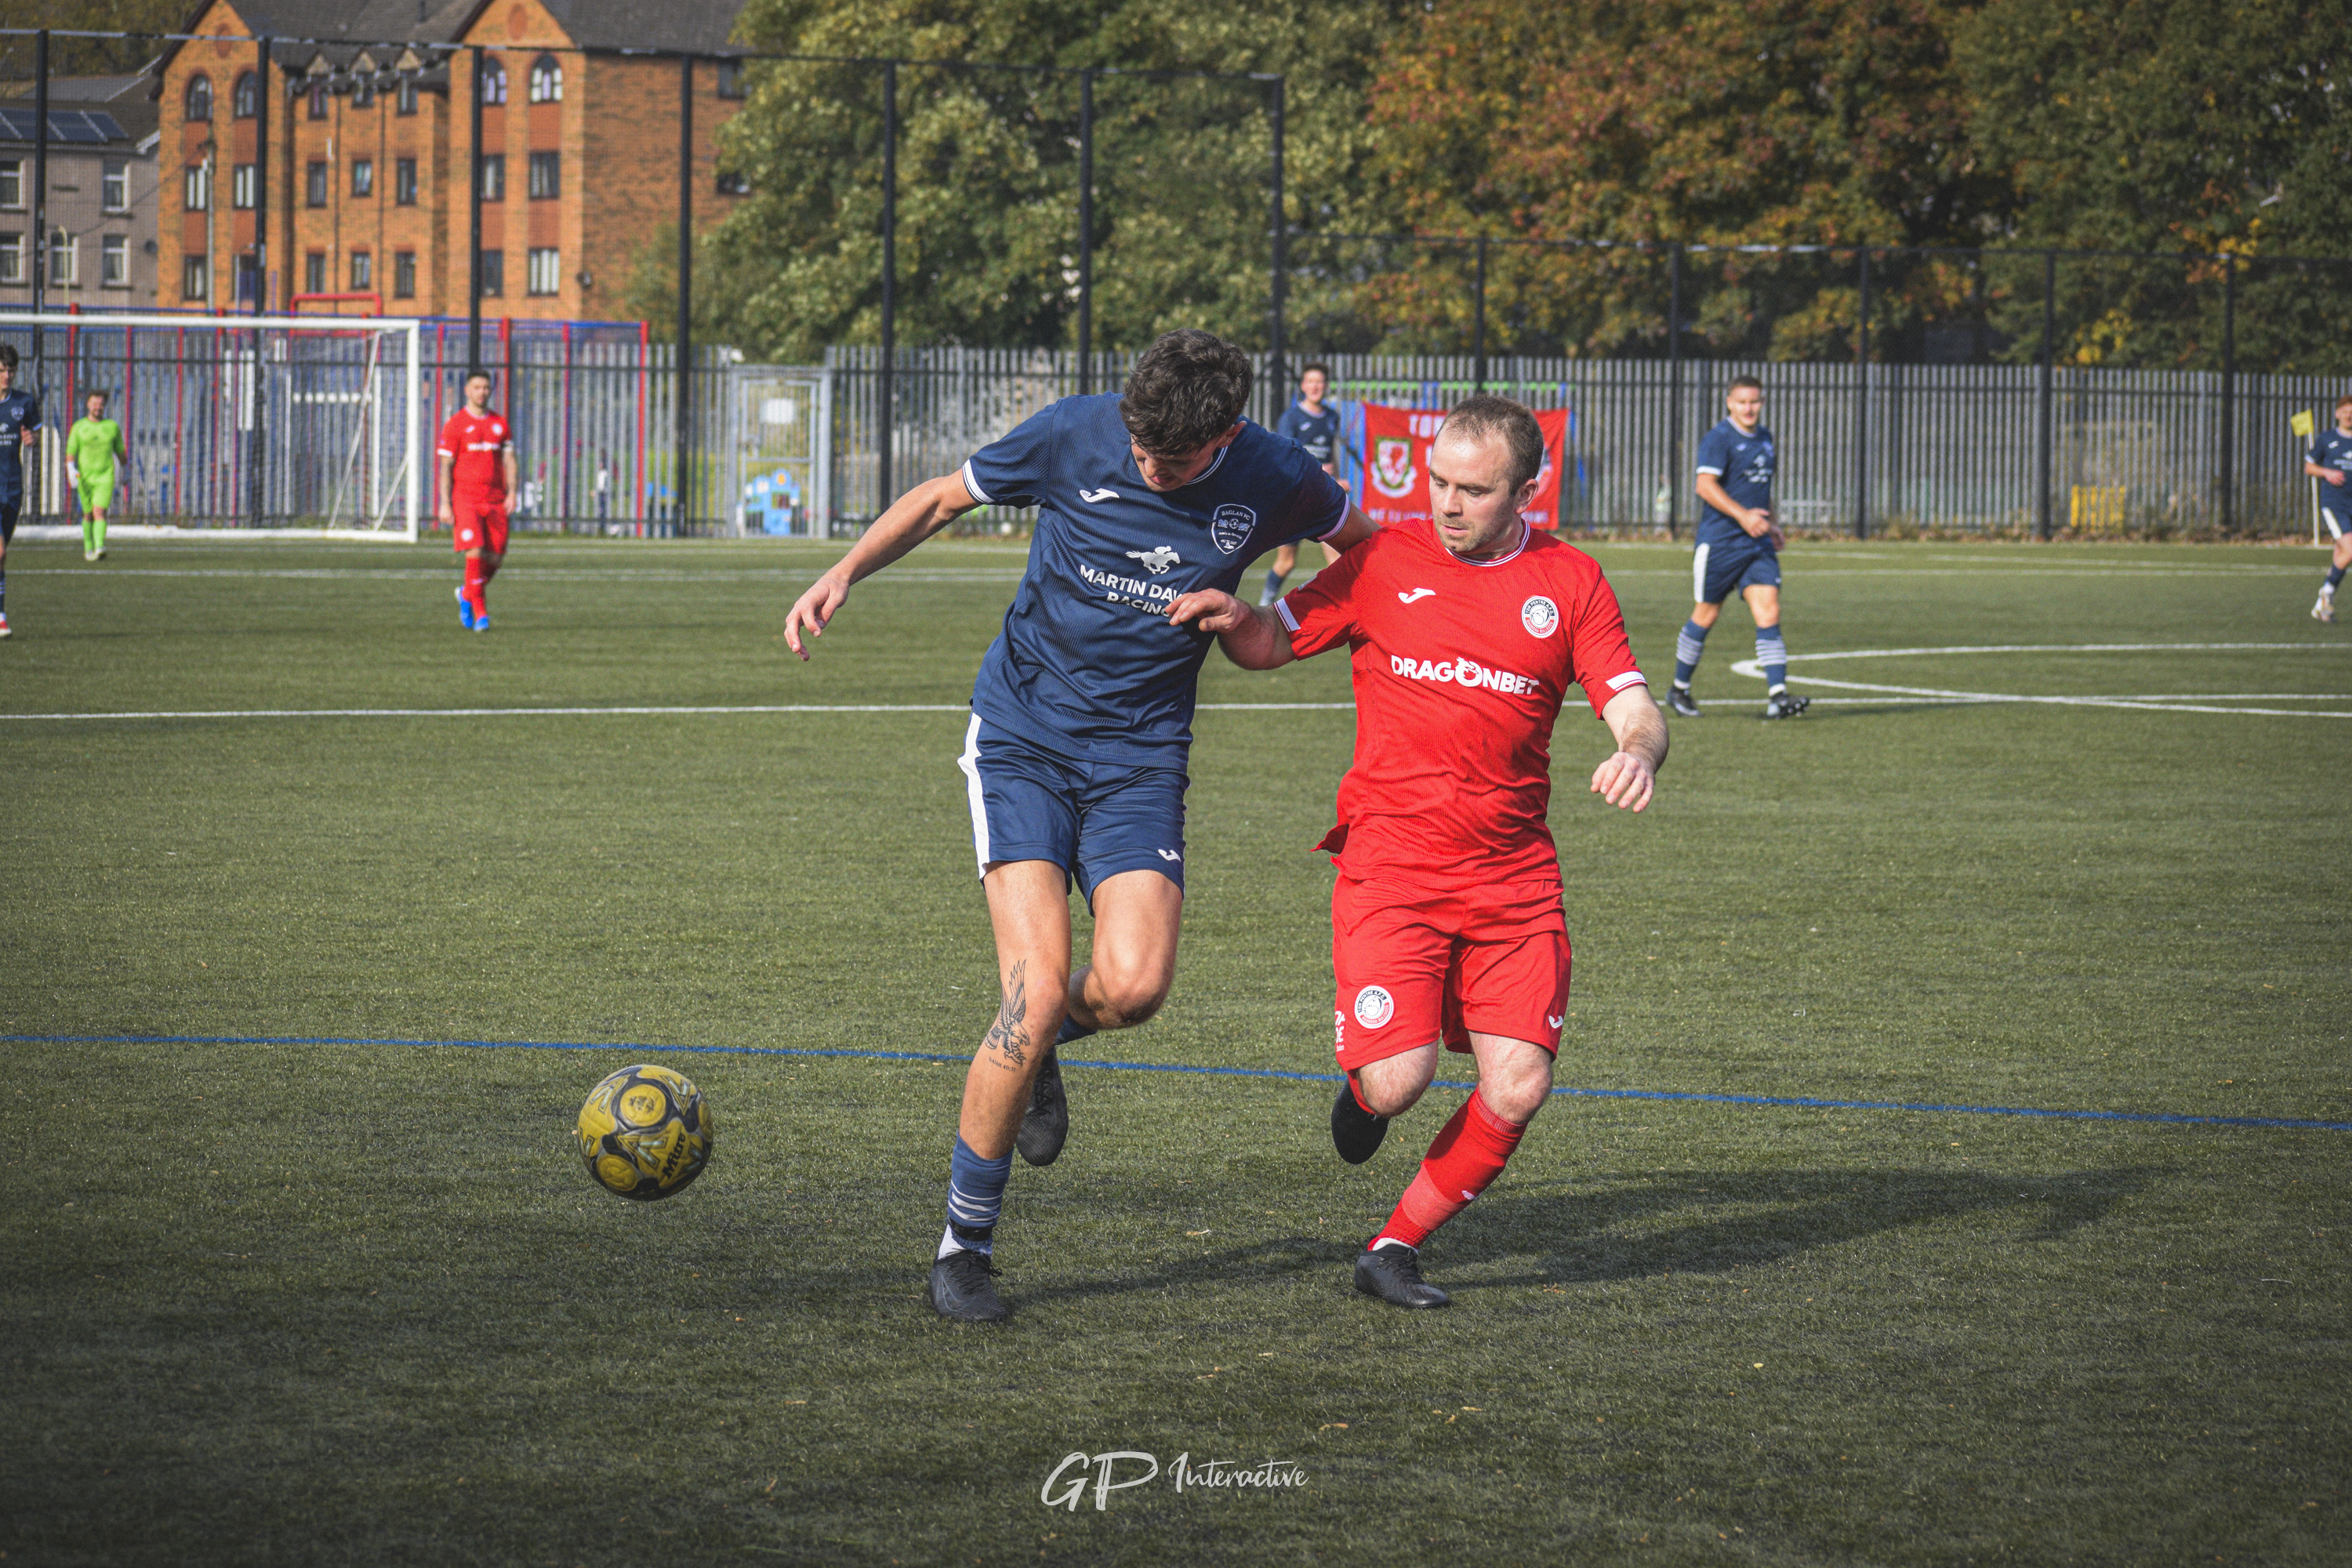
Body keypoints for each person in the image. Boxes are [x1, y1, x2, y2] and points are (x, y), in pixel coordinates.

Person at [782, 329, 1377, 1324]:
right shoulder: (1076, 431)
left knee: (1138, 985)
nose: (1148, 467)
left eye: (1173, 462)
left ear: (1227, 436)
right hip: (1022, 735)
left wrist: (1262, 622)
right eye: (1141, 450)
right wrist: (845, 571)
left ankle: (1047, 1037)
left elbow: (1370, 555)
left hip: (1142, 757)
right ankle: (963, 1247)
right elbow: (941, 496)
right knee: (1032, 989)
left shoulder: (1279, 470)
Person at [1167, 394, 1666, 1308]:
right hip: (1392, 864)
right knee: (1398, 1083)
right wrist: (1234, 617)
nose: (1445, 503)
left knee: (1520, 1083)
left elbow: (1634, 704)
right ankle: (1365, 1090)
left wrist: (1635, 749)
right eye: (1437, 481)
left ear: (1527, 487)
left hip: (1513, 876)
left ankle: (1393, 1246)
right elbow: (1276, 640)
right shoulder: (1384, 561)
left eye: (1473, 490)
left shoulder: (1573, 582)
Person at [1667, 376, 1806, 719]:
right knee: (1707, 614)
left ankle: (1778, 696)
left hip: (1756, 544)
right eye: (1742, 402)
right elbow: (1704, 485)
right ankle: (1679, 689)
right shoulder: (1719, 438)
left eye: (1754, 402)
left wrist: (1770, 524)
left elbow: (1760, 490)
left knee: (1769, 611)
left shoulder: (1765, 438)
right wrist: (1744, 517)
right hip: (1720, 543)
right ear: (1729, 402)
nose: (1749, 408)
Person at [1260, 363, 1346, 604]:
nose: (1315, 387)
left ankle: (1339, 609)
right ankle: (1266, 603)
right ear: (1303, 386)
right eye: (1311, 382)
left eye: (1320, 382)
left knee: (1337, 560)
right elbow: (1286, 457)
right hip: (1297, 498)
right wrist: (1316, 471)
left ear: (1326, 386)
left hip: (1325, 496)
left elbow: (1331, 456)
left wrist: (1336, 480)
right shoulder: (1291, 417)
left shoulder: (1331, 417)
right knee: (1286, 563)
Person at [437, 370, 516, 630]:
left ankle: (467, 594)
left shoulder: (500, 423)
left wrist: (512, 492)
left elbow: (508, 460)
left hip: (495, 499)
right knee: (475, 550)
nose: (482, 392)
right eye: (477, 387)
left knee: (495, 558)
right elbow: (446, 465)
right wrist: (445, 502)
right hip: (466, 498)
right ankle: (481, 614)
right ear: (467, 391)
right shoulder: (456, 424)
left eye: (486, 388)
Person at [0, 343, 42, 641]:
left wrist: (32, 438)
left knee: (1, 556)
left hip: (13, 487)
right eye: (2, 369)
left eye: (11, 369)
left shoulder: (24, 401)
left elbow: (35, 433)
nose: (7, 375)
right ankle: (1, 616)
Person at [2303, 394, 2352, 622]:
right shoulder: (2327, 439)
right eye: (2345, 411)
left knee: (2342, 553)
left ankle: (2322, 606)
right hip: (2334, 504)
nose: (2349, 415)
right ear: (2337, 414)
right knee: (2350, 549)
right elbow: (2309, 467)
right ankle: (2327, 593)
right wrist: (2327, 472)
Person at [66, 390, 126, 562]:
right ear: (88, 404)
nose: (97, 407)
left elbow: (120, 451)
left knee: (99, 511)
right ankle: (88, 548)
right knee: (87, 514)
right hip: (84, 477)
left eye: (101, 404)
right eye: (94, 404)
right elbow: (71, 452)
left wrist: (126, 469)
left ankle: (100, 547)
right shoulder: (79, 427)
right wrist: (71, 469)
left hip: (105, 477)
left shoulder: (112, 427)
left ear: (104, 406)